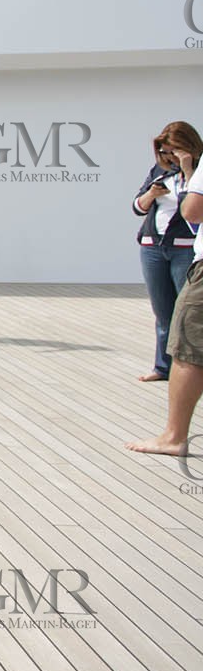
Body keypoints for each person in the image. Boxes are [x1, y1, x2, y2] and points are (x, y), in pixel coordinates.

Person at [128, 129, 203, 457]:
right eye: (165, 151)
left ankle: (175, 435)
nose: (170, 156)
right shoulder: (159, 173)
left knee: (184, 325)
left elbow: (192, 212)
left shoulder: (195, 171)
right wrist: (151, 195)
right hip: (153, 246)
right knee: (164, 313)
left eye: (175, 150)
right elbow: (137, 206)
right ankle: (163, 366)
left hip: (185, 249)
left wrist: (188, 172)